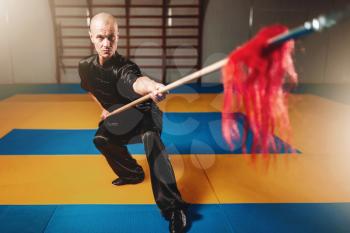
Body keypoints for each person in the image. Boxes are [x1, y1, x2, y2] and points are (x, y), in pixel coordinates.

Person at [78, 12, 188, 233]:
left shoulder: (125, 67)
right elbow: (90, 89)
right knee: (101, 139)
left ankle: (174, 207)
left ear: (118, 37)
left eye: (112, 37)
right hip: (120, 116)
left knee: (151, 138)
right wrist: (104, 109)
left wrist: (153, 87)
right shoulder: (85, 66)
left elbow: (137, 82)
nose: (106, 43)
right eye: (100, 37)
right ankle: (132, 174)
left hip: (145, 114)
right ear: (91, 36)